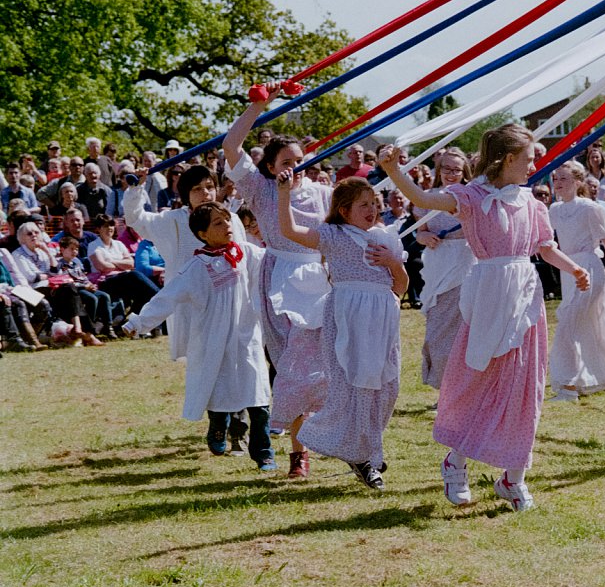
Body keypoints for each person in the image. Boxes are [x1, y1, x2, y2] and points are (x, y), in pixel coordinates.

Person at [378, 124, 590, 512]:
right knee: (481, 379)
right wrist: (394, 172)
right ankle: (455, 461)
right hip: (489, 294)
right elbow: (421, 196)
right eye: (528, 159)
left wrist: (574, 268)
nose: (534, 165)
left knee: (525, 383)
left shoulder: (531, 202)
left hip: (525, 297)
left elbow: (544, 247)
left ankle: (514, 478)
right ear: (508, 160)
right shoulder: (471, 197)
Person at [224, 84, 332, 479]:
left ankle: (329, 438)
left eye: (300, 160)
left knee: (323, 366)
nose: (294, 167)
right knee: (292, 366)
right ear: (270, 166)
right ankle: (298, 453)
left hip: (320, 280)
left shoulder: (323, 193)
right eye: (286, 161)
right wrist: (258, 106)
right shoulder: (260, 188)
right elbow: (231, 146)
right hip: (279, 279)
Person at [276, 173, 407, 490]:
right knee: (355, 386)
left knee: (387, 388)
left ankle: (363, 446)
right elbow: (289, 230)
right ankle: (363, 456)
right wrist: (282, 194)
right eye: (363, 205)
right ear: (345, 210)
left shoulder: (385, 240)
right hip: (349, 318)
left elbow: (400, 289)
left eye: (374, 204)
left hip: (381, 322)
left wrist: (393, 263)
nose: (371, 210)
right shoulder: (333, 235)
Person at [123, 203, 276, 471]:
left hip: (245, 336)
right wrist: (139, 321)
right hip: (213, 341)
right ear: (202, 234)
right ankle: (218, 426)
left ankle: (263, 452)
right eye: (218, 223)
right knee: (218, 389)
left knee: (258, 395)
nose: (227, 226)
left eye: (227, 220)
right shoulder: (196, 267)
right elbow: (166, 298)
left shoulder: (247, 254)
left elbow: (276, 261)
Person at [548, 161, 605, 402]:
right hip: (568, 270)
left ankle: (567, 387)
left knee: (568, 324)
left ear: (578, 182)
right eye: (556, 178)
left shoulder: (591, 208)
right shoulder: (554, 210)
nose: (558, 183)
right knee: (595, 325)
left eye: (564, 178)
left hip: (591, 269)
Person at [411, 148, 475, 395]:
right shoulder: (427, 198)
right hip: (438, 264)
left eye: (456, 169)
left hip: (466, 264)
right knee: (437, 329)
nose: (450, 173)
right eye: (446, 168)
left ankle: (462, 390)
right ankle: (444, 386)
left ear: (464, 172)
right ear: (439, 170)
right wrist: (425, 236)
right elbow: (419, 232)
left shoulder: (470, 197)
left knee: (463, 328)